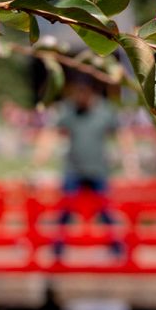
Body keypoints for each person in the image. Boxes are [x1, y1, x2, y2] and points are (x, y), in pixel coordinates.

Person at [35, 73, 139, 261]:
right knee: (65, 210)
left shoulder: (104, 111)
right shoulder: (69, 111)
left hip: (98, 169)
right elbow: (52, 132)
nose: (81, 97)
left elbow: (122, 134)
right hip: (73, 169)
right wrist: (41, 156)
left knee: (105, 211)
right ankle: (58, 248)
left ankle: (116, 247)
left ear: (91, 93)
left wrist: (130, 162)